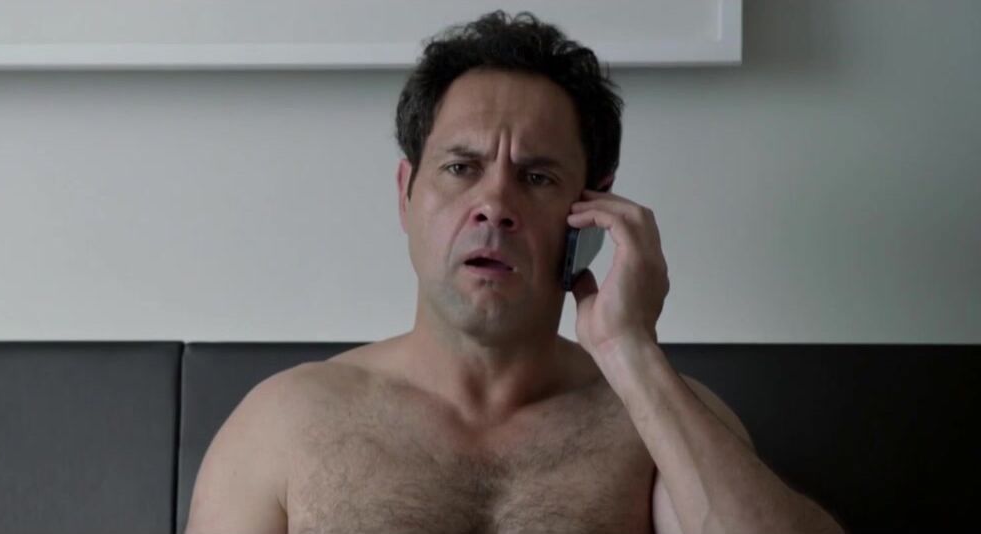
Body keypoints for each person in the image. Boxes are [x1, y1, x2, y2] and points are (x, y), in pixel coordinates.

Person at [186, 10, 845, 534]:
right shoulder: (286, 421)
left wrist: (631, 352)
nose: (495, 205)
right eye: (461, 168)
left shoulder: (656, 427)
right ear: (405, 194)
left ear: (591, 212)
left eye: (536, 177)